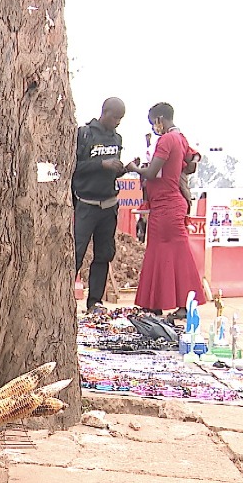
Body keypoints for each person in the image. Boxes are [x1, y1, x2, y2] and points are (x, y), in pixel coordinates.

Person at [125, 102, 207, 318]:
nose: (154, 128)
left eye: (154, 123)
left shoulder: (167, 140)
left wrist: (133, 168)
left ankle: (183, 304)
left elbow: (151, 173)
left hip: (166, 204)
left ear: (160, 119)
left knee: (174, 254)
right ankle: (160, 302)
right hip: (168, 203)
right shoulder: (179, 138)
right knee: (161, 253)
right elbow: (193, 159)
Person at [72, 97, 126, 313]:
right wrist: (101, 164)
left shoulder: (117, 137)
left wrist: (123, 168)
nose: (118, 122)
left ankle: (95, 301)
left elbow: (112, 169)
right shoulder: (84, 134)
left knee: (104, 254)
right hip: (86, 203)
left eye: (121, 119)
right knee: (76, 253)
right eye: (115, 117)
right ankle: (64, 299)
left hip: (109, 205)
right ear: (104, 113)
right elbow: (75, 166)